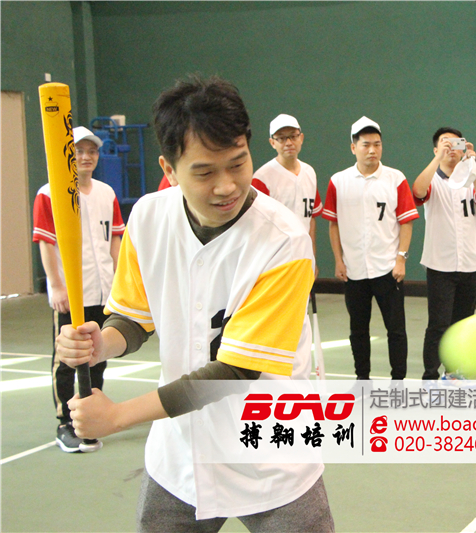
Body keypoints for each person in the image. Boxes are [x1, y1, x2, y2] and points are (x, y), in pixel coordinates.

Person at [56, 76, 334, 531]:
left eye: (238, 164)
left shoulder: (285, 240)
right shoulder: (148, 218)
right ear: (169, 169)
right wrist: (100, 344)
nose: (227, 186)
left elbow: (235, 373)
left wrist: (118, 416)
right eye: (204, 172)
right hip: (180, 456)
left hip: (270, 453)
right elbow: (133, 318)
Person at [32, 126, 125, 453]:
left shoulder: (106, 193)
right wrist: (56, 286)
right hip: (72, 295)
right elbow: (46, 242)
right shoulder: (49, 193)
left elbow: (115, 239)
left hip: (103, 291)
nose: (86, 157)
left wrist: (119, 280)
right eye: (79, 151)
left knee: (97, 353)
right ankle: (65, 423)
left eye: (92, 151)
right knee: (67, 359)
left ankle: (92, 415)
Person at [322, 117, 419, 381]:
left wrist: (401, 259)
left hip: (388, 269)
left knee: (396, 330)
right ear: (353, 147)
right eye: (366, 145)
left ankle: (398, 382)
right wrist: (338, 260)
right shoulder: (338, 181)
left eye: (377, 144)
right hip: (354, 270)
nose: (372, 150)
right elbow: (333, 224)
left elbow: (406, 222)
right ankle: (362, 380)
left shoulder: (396, 179)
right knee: (358, 331)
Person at [412, 127, 476, 384]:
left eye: (456, 144)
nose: (451, 149)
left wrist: (472, 166)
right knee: (438, 324)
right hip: (440, 264)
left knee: (463, 323)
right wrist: (438, 159)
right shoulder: (433, 179)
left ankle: (455, 371)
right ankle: (430, 377)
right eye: (445, 144)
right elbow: (418, 191)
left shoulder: (469, 179)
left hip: (471, 263)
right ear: (436, 149)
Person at [253, 114, 323, 277]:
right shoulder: (262, 178)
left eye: (293, 136)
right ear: (272, 143)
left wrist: (312, 257)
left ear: (301, 138)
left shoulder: (309, 172)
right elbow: (254, 227)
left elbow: (311, 218)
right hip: (274, 260)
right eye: (282, 138)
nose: (289, 143)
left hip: (303, 256)